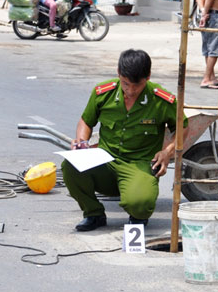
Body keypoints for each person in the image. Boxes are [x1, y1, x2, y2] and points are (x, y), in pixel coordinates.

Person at [61, 49, 187, 231]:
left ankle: (137, 215)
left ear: (148, 77)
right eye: (126, 84)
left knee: (140, 203)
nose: (131, 90)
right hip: (105, 162)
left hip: (139, 165)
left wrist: (167, 151)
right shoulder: (103, 92)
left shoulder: (161, 99)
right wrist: (81, 141)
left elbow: (182, 126)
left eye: (137, 85)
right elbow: (86, 121)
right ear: (118, 74)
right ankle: (93, 214)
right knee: (70, 166)